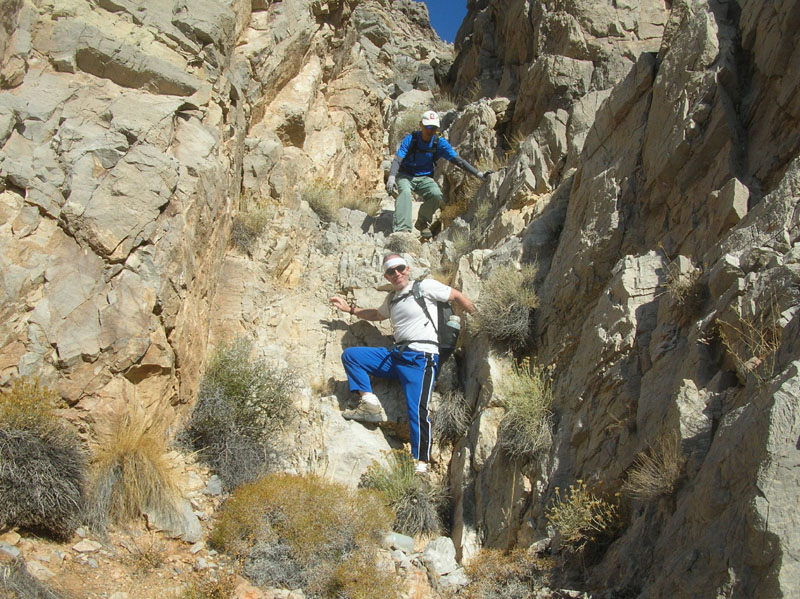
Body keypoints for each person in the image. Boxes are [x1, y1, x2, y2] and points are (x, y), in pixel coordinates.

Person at [329, 254, 477, 473]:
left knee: (417, 410)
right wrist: (350, 310)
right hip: (396, 356)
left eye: (399, 268)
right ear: (387, 277)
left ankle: (421, 463)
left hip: (421, 357)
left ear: (407, 269)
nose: (396, 273)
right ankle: (369, 403)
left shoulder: (424, 287)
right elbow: (378, 314)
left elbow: (455, 295)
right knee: (352, 356)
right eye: (390, 271)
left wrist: (476, 315)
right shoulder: (392, 298)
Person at [386, 110, 491, 238]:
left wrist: (479, 174)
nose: (430, 131)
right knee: (405, 192)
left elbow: (458, 161)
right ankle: (402, 232)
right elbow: (398, 159)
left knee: (436, 194)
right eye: (428, 127)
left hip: (424, 177)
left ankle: (422, 222)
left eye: (434, 128)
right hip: (405, 175)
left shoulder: (439, 142)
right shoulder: (411, 139)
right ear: (421, 125)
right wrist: (391, 177)